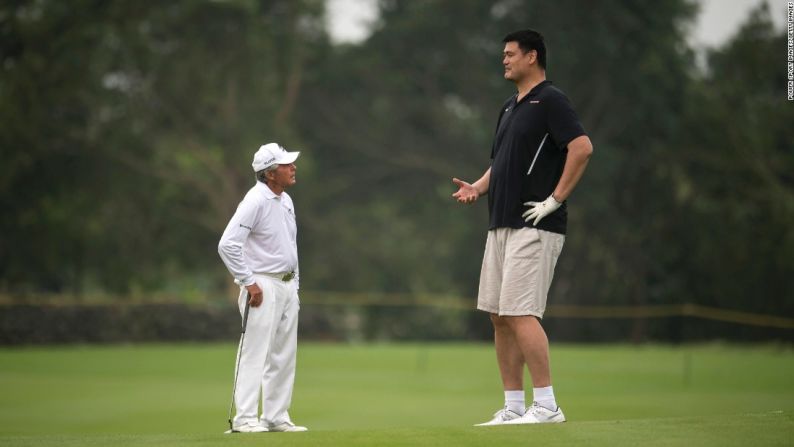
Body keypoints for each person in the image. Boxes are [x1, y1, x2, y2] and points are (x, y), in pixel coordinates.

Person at [452, 29, 593, 425]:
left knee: (519, 311)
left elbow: (582, 148)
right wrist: (478, 188)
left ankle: (547, 405)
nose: (504, 60)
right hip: (499, 223)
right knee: (499, 314)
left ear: (532, 57)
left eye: (511, 54)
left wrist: (555, 199)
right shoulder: (509, 107)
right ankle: (514, 407)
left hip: (535, 224)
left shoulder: (551, 99)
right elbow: (502, 163)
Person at [218, 142, 307, 433]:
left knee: (283, 353)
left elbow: (288, 246)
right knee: (255, 352)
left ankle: (275, 416)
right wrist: (248, 281)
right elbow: (228, 245)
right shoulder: (254, 200)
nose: (293, 168)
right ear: (270, 173)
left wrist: (295, 285)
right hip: (261, 285)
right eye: (286, 165)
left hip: (286, 284)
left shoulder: (286, 200)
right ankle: (244, 419)